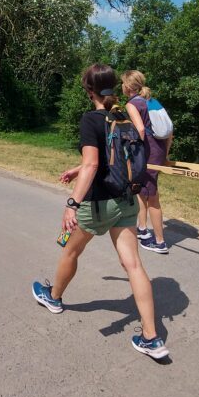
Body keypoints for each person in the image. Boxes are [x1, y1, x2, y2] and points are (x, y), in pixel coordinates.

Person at [31, 64, 169, 360]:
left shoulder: (91, 119)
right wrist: (77, 168)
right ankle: (151, 338)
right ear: (114, 88)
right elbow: (112, 157)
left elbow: (94, 165)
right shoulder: (122, 115)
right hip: (127, 201)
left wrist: (72, 203)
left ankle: (53, 297)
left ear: (88, 90)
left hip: (98, 204)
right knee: (133, 266)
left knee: (69, 250)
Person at [121, 70, 171, 254]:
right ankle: (142, 229)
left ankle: (160, 242)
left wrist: (131, 152)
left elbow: (140, 130)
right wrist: (165, 154)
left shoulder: (132, 104)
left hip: (147, 152)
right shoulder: (152, 101)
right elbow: (170, 131)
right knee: (141, 191)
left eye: (122, 83)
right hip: (157, 149)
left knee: (153, 197)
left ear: (127, 86)